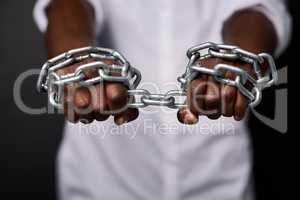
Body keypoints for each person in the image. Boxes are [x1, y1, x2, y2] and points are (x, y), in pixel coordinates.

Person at [33, 0, 291, 199]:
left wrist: (237, 61)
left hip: (219, 182)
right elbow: (68, 4)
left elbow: (257, 8)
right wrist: (79, 59)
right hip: (102, 181)